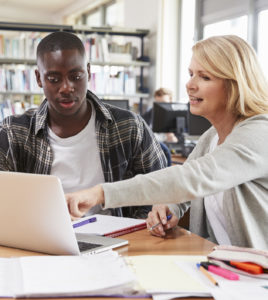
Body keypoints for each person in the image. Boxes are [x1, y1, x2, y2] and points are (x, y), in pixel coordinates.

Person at [66, 35, 268, 250]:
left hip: (257, 274)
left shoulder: (260, 133)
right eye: (191, 74)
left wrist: (101, 193)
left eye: (205, 77)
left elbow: (193, 178)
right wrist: (170, 206)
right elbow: (186, 189)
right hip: (223, 265)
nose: (190, 84)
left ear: (235, 84)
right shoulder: (212, 137)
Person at [0, 31, 168, 219]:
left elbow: (161, 190)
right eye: (54, 79)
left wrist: (136, 230)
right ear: (39, 78)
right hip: (40, 241)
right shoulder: (12, 133)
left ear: (88, 72)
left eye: (76, 76)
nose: (66, 87)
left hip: (118, 241)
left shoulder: (130, 127)